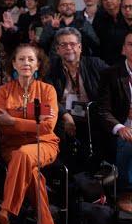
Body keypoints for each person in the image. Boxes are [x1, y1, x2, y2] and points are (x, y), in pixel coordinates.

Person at [0, 44, 60, 224]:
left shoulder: (47, 90)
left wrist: (14, 120)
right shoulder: (4, 91)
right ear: (14, 64)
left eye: (30, 59)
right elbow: (4, 128)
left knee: (24, 155)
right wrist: (30, 123)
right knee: (33, 173)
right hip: (12, 147)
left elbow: (47, 128)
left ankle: (5, 213)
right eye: (21, 59)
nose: (26, 63)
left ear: (38, 64)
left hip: (44, 145)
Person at [45, 27, 108, 173]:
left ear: (80, 47)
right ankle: (67, 177)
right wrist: (65, 116)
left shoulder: (96, 64)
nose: (68, 48)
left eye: (72, 44)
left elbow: (115, 84)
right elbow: (49, 97)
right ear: (58, 49)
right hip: (63, 117)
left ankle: (93, 178)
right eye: (63, 45)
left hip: (91, 115)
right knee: (56, 128)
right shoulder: (51, 70)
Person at [96, 31, 132, 213]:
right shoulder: (111, 74)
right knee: (127, 140)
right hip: (124, 123)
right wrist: (119, 127)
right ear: (124, 49)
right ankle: (126, 192)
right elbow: (103, 110)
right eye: (131, 44)